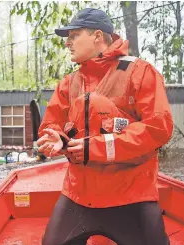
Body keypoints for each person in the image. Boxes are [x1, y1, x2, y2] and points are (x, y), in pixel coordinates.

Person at [37, 8, 173, 245]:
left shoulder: (140, 73)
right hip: (78, 194)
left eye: (74, 35)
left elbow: (158, 127)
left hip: (132, 194)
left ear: (97, 36)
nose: (68, 43)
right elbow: (51, 124)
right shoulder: (69, 84)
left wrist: (96, 147)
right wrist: (56, 139)